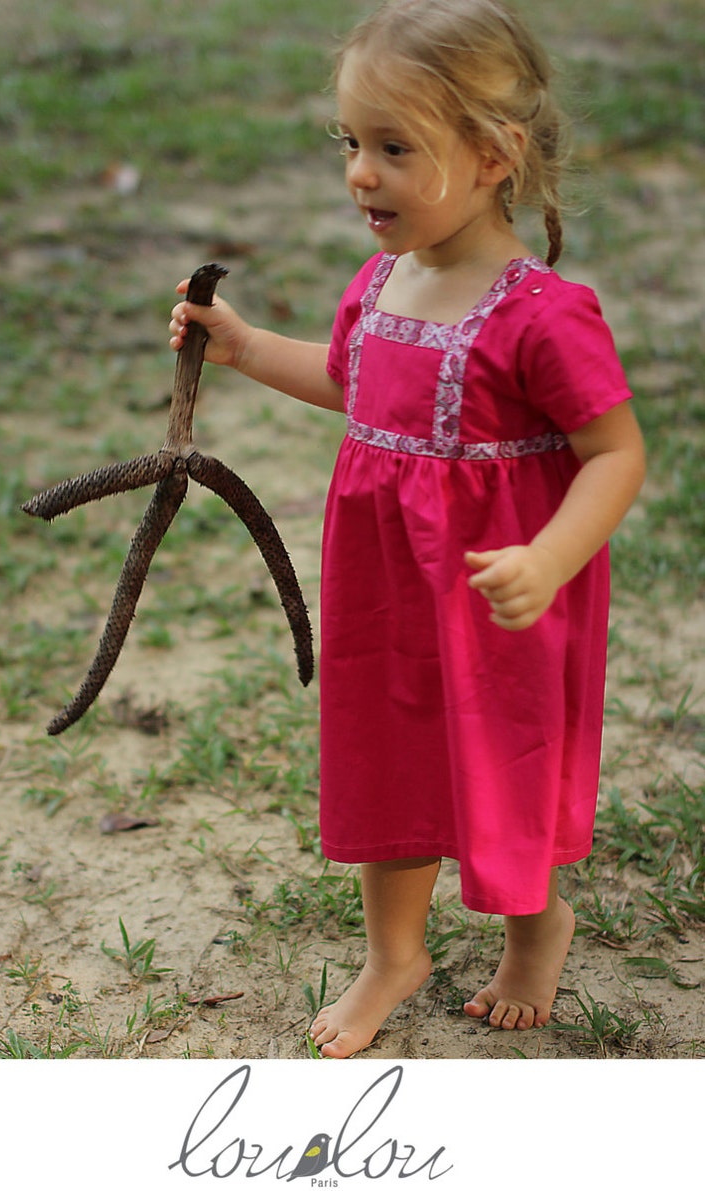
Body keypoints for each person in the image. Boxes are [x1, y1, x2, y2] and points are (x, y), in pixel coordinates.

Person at [169, 0, 646, 1059]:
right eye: (350, 143)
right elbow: (351, 385)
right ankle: (396, 954)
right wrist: (243, 346)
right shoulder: (381, 281)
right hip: (385, 585)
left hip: (496, 586)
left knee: (499, 762)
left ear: (491, 155)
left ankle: (535, 927)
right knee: (389, 757)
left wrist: (548, 555)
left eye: (393, 147)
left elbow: (615, 455)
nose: (359, 174)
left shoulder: (541, 314)